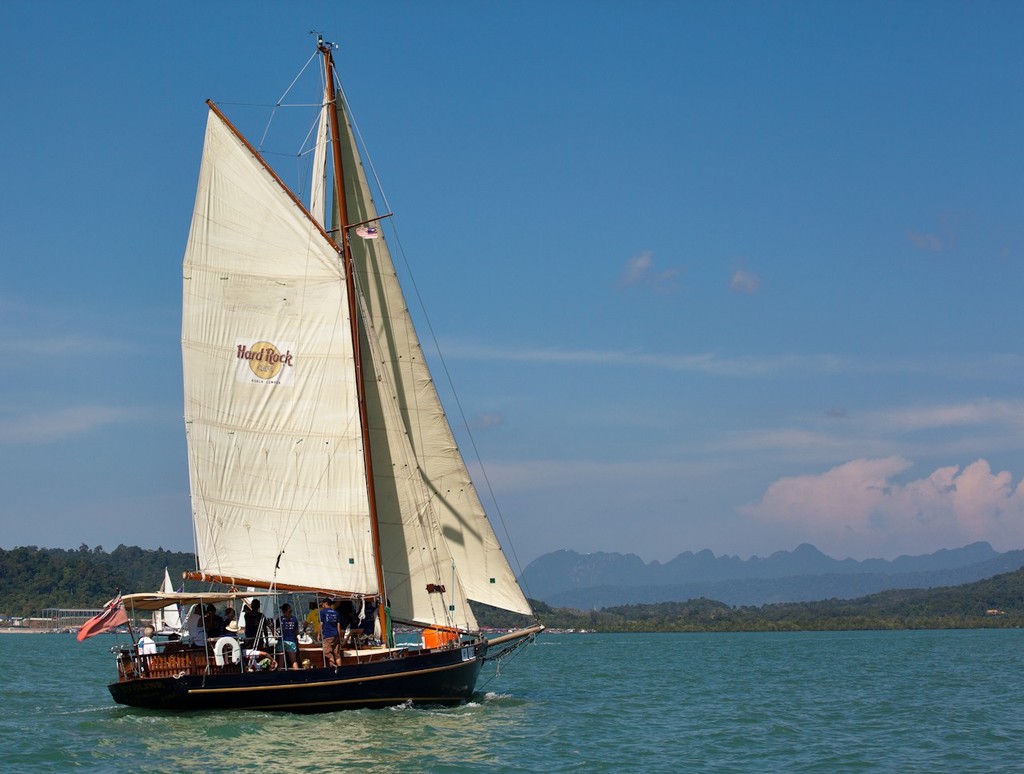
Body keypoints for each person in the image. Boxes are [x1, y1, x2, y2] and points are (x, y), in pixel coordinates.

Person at [276, 603, 300, 669]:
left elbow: (274, 632)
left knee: (281, 661)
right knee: (293, 661)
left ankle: (279, 677)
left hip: (282, 641)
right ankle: (298, 676)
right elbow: (297, 632)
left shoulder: (280, 619)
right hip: (291, 641)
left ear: (283, 611)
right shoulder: (294, 619)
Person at [320, 598, 341, 667]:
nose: (322, 605)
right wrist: (339, 636)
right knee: (337, 654)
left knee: (329, 654)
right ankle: (341, 669)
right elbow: (338, 626)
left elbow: (321, 624)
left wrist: (318, 634)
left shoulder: (323, 612)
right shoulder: (336, 613)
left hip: (328, 635)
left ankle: (333, 670)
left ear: (325, 603)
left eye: (322, 603)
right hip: (336, 635)